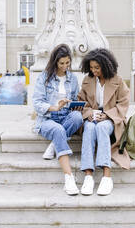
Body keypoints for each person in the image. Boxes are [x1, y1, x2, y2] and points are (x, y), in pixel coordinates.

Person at [78, 48, 130, 196]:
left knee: (101, 128)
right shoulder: (87, 80)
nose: (93, 70)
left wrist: (107, 115)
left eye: (97, 68)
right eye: (91, 67)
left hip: (111, 119)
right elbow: (81, 101)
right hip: (92, 117)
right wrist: (88, 113)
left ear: (106, 66)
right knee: (89, 128)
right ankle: (88, 176)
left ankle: (107, 177)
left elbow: (123, 103)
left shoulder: (118, 80)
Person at [32, 44, 83, 195]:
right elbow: (37, 103)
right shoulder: (44, 77)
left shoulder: (72, 79)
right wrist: (55, 107)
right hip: (48, 118)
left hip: (66, 116)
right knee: (58, 129)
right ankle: (69, 178)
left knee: (78, 117)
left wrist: (75, 104)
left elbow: (74, 99)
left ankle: (55, 143)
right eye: (61, 63)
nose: (65, 66)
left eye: (67, 63)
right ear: (55, 62)